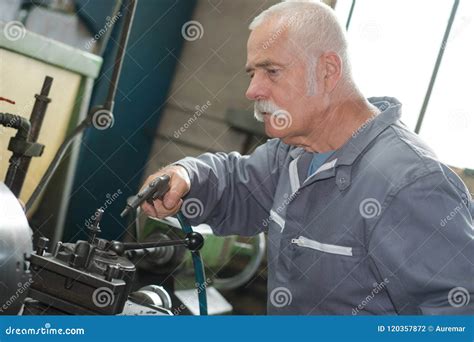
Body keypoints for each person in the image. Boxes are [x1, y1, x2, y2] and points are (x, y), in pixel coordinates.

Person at [141, 1, 473, 315]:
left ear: (328, 70)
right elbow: (235, 182)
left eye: (271, 71)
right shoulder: (294, 153)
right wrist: (186, 175)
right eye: (252, 74)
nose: (252, 90)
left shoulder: (411, 185)